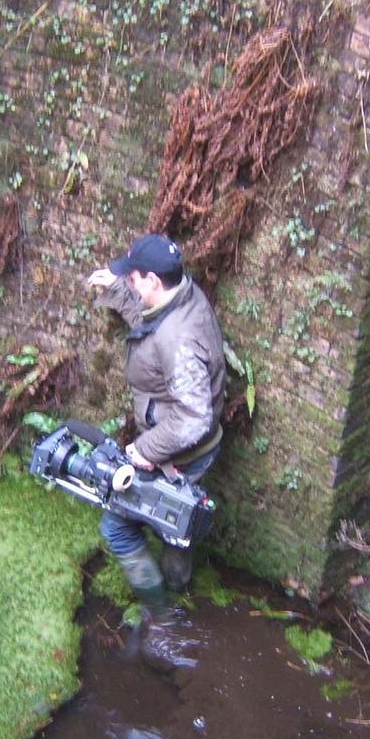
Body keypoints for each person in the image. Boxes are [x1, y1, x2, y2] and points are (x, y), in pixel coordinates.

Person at [84, 233, 228, 635]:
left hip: (179, 452)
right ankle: (178, 585)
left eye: (131, 278)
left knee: (116, 527)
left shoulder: (178, 341)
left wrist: (145, 449)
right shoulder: (181, 294)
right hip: (191, 448)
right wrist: (116, 291)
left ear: (151, 280)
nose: (128, 281)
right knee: (177, 528)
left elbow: (195, 417)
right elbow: (151, 322)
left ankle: (159, 611)